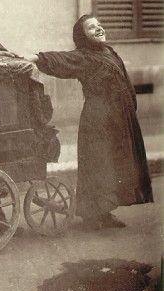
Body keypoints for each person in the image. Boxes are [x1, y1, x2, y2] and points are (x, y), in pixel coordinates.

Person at [26, 14, 153, 230]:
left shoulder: (109, 52)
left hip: (118, 117)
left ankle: (105, 212)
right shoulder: (84, 57)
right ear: (82, 36)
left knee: (112, 164)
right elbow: (62, 59)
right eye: (91, 28)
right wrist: (36, 58)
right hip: (99, 119)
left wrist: (130, 107)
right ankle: (93, 215)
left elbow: (124, 80)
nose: (99, 29)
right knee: (99, 165)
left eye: (99, 25)